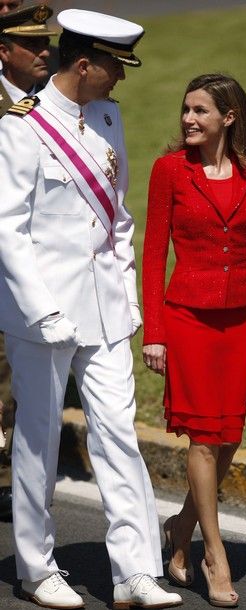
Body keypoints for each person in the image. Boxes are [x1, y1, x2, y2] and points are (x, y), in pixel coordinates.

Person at [0, 8, 183, 610]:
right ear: (84, 64)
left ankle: (135, 571)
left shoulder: (107, 118)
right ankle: (35, 565)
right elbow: (9, 230)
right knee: (38, 436)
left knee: (118, 437)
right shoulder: (21, 127)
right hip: (43, 313)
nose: (121, 79)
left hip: (104, 311)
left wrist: (126, 299)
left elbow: (118, 222)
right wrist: (41, 310)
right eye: (114, 67)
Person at [142, 73, 246, 608]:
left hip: (237, 324)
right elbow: (153, 255)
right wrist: (153, 334)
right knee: (203, 438)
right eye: (185, 110)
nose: (188, 120)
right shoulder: (169, 171)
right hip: (188, 322)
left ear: (229, 117)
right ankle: (213, 553)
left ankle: (180, 527)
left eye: (200, 111)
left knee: (228, 437)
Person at [0, 1, 55, 522]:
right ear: (3, 51)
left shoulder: (54, 97)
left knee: (19, 377)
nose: (44, 51)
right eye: (32, 44)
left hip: (36, 260)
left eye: (46, 43)